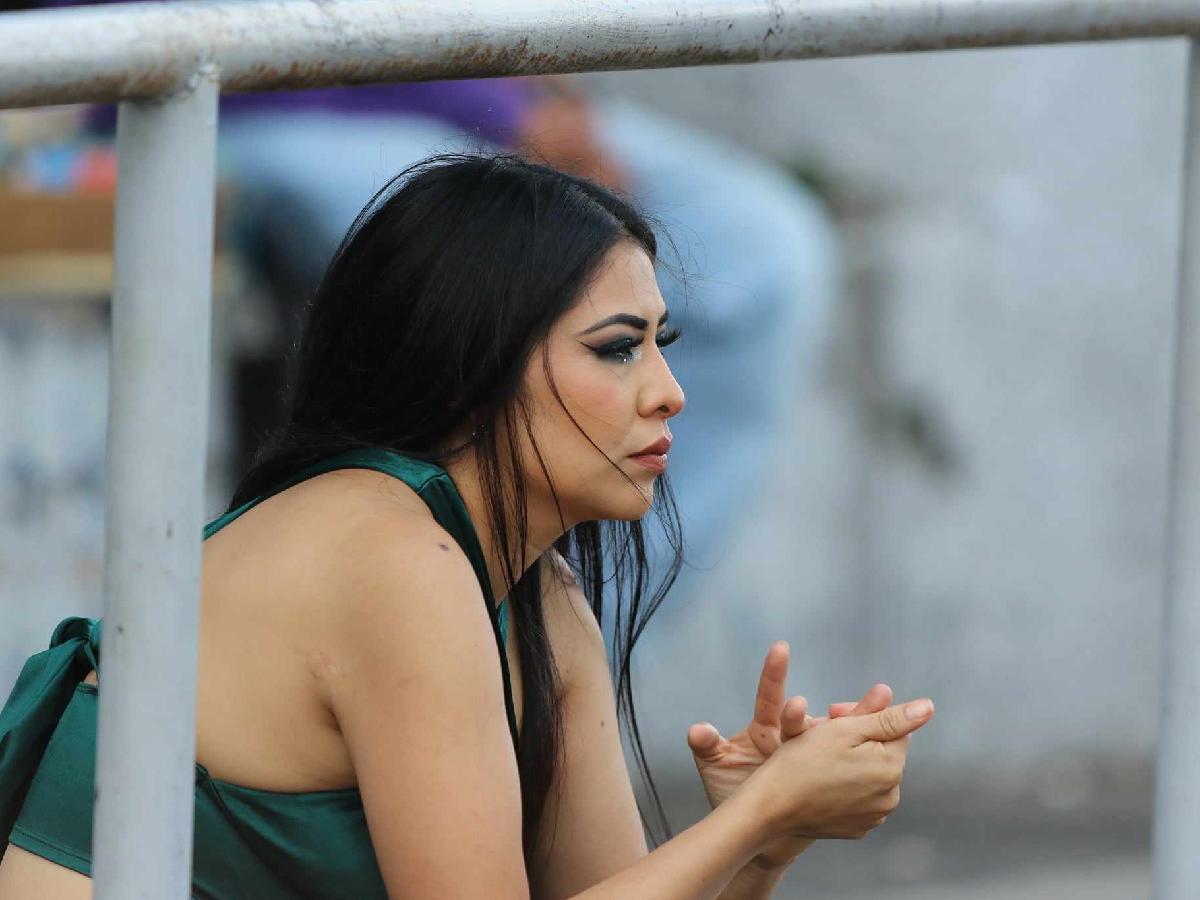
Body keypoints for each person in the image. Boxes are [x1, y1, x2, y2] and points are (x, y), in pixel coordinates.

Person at [0, 154, 931, 898]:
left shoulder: (534, 587)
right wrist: (757, 816)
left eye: (662, 345)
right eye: (617, 349)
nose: (670, 394)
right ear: (468, 366)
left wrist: (766, 844)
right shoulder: (394, 561)